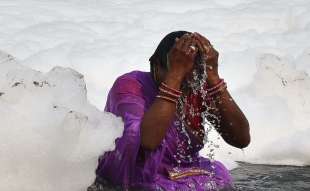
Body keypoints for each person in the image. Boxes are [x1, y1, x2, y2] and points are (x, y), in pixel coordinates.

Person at [88, 31, 250, 191]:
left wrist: (213, 78)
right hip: (136, 177)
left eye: (192, 75)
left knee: (219, 181)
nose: (185, 85)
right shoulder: (130, 86)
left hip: (185, 175)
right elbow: (148, 142)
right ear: (155, 65)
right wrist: (175, 76)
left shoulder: (195, 86)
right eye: (179, 72)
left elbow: (241, 139)